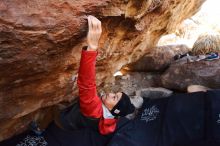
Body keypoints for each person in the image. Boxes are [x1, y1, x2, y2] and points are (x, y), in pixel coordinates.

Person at [55, 15, 136, 135]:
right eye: (115, 94)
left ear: (113, 109)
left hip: (63, 120)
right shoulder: (110, 117)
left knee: (52, 115)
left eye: (114, 97)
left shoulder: (95, 112)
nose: (110, 93)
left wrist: (92, 47)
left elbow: (87, 84)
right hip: (76, 119)